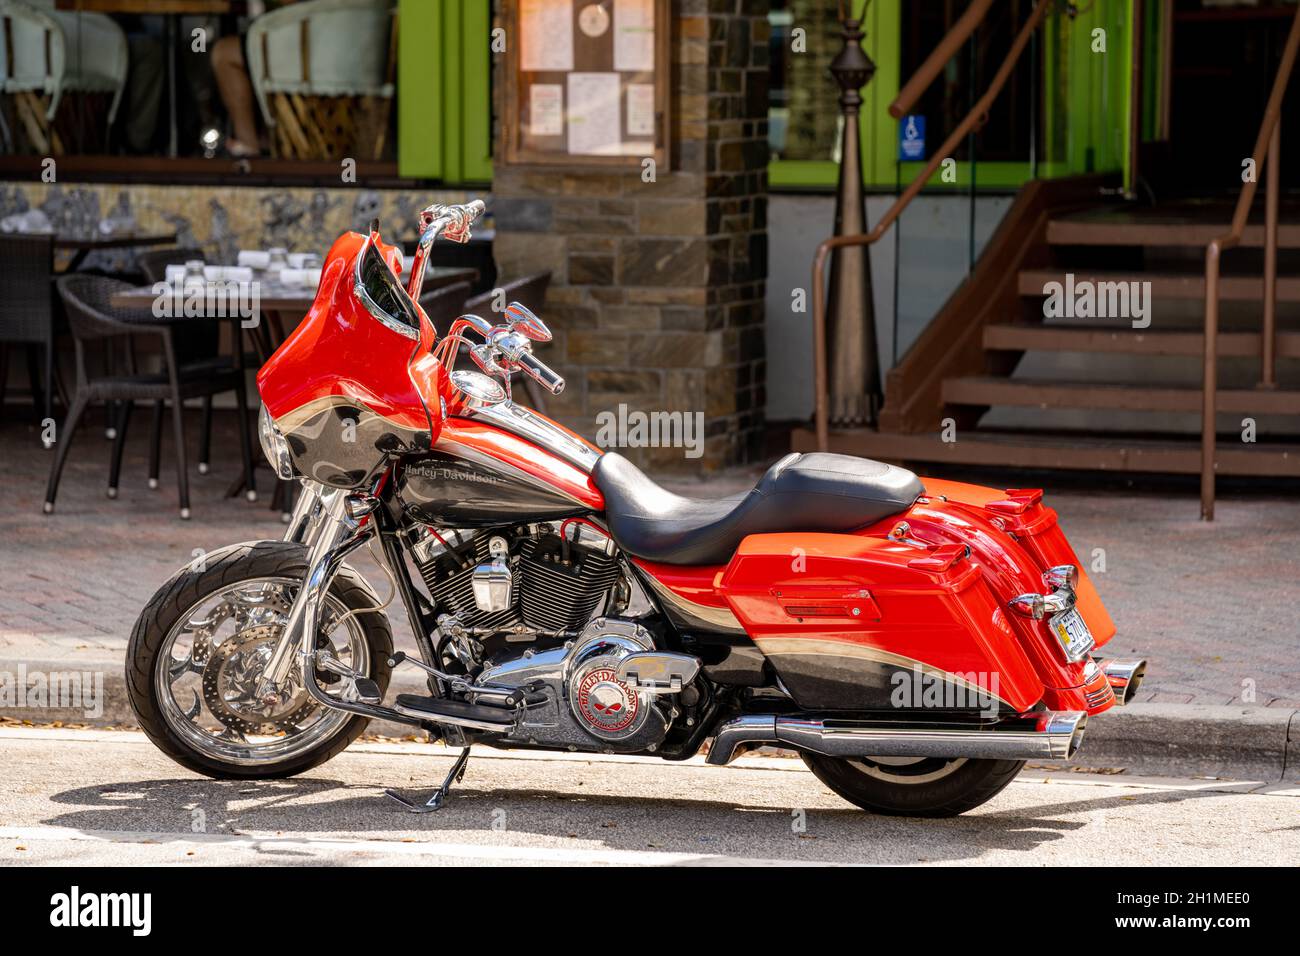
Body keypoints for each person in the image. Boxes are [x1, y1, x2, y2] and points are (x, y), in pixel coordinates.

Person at [210, 0, 299, 157]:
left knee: (224, 53)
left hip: (302, 37)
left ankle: (248, 146)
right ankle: (261, 141)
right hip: (339, 42)